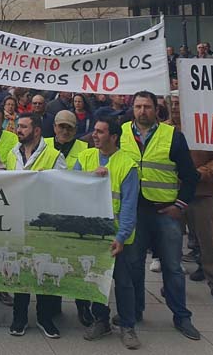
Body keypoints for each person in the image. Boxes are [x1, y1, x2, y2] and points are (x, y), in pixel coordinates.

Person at [118, 91, 201, 340]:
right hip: (133, 212)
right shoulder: (121, 133)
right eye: (138, 106)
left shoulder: (172, 136)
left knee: (172, 267)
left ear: (156, 109)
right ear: (132, 108)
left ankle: (181, 316)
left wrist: (180, 205)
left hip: (165, 211)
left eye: (147, 107)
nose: (142, 111)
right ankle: (134, 311)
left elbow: (190, 176)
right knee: (133, 265)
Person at [73, 116, 140, 350]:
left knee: (123, 283)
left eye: (101, 132)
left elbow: (130, 206)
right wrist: (90, 177)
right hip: (94, 235)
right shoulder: (85, 157)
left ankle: (128, 326)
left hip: (117, 237)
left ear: (113, 137)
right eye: (94, 131)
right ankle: (101, 320)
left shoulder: (127, 164)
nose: (95, 135)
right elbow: (73, 187)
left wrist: (121, 237)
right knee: (96, 282)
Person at [6, 114, 66, 338]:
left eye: (23, 127)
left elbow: (63, 185)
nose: (18, 130)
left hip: (43, 221)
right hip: (18, 219)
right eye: (18, 126)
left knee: (45, 269)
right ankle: (19, 317)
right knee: (21, 268)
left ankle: (44, 317)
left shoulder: (53, 155)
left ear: (37, 131)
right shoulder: (13, 153)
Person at [179, 102, 213, 305]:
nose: (175, 107)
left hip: (202, 193)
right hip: (174, 194)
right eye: (172, 103)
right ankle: (172, 283)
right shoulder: (165, 130)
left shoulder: (207, 130)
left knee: (208, 243)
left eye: (179, 103)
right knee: (172, 244)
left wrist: (200, 173)